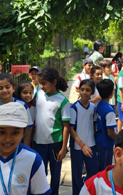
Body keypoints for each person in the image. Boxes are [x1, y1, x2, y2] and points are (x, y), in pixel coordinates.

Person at [0, 102, 51, 195]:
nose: (8, 139)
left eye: (15, 133)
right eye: (1, 132)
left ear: (23, 133)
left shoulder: (33, 159)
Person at [34, 67, 71, 195]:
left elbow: (66, 126)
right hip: (38, 142)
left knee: (55, 173)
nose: (41, 86)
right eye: (40, 83)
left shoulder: (63, 101)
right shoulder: (38, 95)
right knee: (39, 173)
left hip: (55, 143)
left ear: (54, 82)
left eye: (44, 83)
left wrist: (63, 148)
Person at [0, 74, 33, 146]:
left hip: (19, 147)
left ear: (13, 88)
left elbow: (28, 129)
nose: (4, 90)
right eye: (0, 88)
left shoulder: (22, 106)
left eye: (7, 87)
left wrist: (25, 146)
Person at [70, 79, 98, 195]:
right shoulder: (74, 108)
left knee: (93, 172)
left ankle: (87, 190)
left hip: (91, 144)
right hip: (78, 146)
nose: (85, 92)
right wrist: (82, 145)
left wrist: (93, 143)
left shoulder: (93, 107)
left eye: (88, 90)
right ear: (79, 91)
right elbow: (71, 129)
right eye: (82, 90)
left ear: (92, 92)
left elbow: (94, 125)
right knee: (76, 174)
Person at [95, 79, 117, 171]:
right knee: (104, 168)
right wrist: (120, 138)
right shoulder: (109, 111)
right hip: (106, 144)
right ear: (112, 93)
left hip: (99, 140)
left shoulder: (99, 104)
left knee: (99, 165)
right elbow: (110, 132)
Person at [15, 81, 36, 147]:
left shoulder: (34, 107)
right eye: (25, 92)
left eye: (31, 92)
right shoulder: (15, 106)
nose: (28, 95)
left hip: (32, 136)